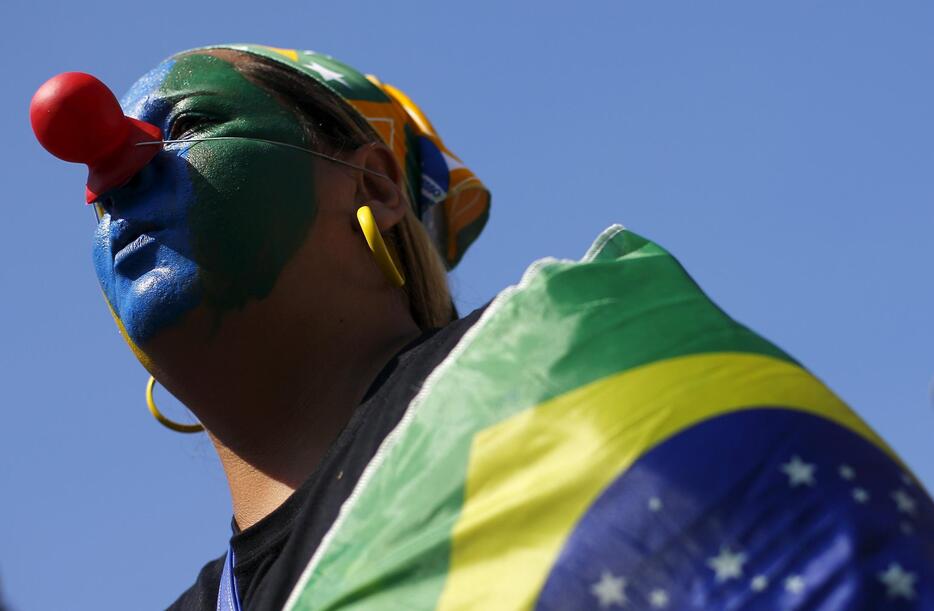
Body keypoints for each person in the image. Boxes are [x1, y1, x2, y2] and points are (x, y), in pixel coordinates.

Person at [50, 44, 934, 609]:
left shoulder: (573, 369)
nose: (115, 172)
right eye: (97, 193)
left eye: (188, 126)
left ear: (376, 188)